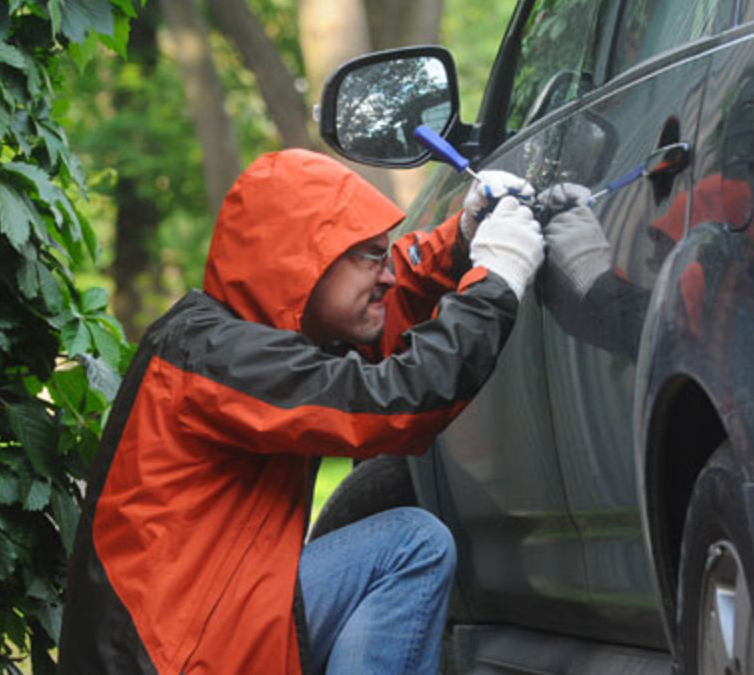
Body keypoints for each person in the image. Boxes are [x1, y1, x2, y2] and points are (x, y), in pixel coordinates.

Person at [57, 149, 544, 675]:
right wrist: (496, 282)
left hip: (201, 635)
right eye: (369, 257)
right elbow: (395, 400)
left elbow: (380, 300)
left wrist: (462, 239)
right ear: (300, 261)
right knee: (411, 547)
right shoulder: (218, 358)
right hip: (180, 659)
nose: (384, 276)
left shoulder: (240, 341)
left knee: (408, 541)